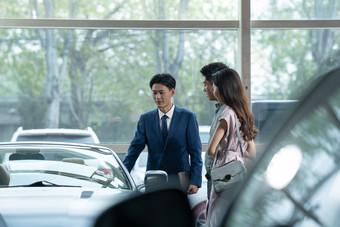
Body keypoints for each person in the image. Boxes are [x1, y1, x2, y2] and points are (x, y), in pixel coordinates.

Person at [123, 73, 203, 194]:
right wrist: (122, 175)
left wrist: (195, 181)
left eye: (161, 92)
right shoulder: (146, 119)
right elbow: (134, 151)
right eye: (154, 93)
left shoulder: (187, 117)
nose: (157, 97)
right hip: (154, 179)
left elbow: (195, 152)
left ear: (172, 93)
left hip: (180, 180)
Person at [206, 67, 257, 227]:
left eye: (214, 86)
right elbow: (252, 153)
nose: (213, 90)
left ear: (222, 88)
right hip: (238, 169)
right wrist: (236, 153)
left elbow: (211, 149)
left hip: (223, 169)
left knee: (216, 214)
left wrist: (226, 152)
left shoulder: (226, 113)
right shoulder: (242, 113)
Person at [200, 62, 228, 200]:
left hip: (222, 177)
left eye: (206, 84)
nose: (204, 89)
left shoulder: (227, 113)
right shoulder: (220, 110)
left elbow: (212, 150)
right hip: (218, 176)